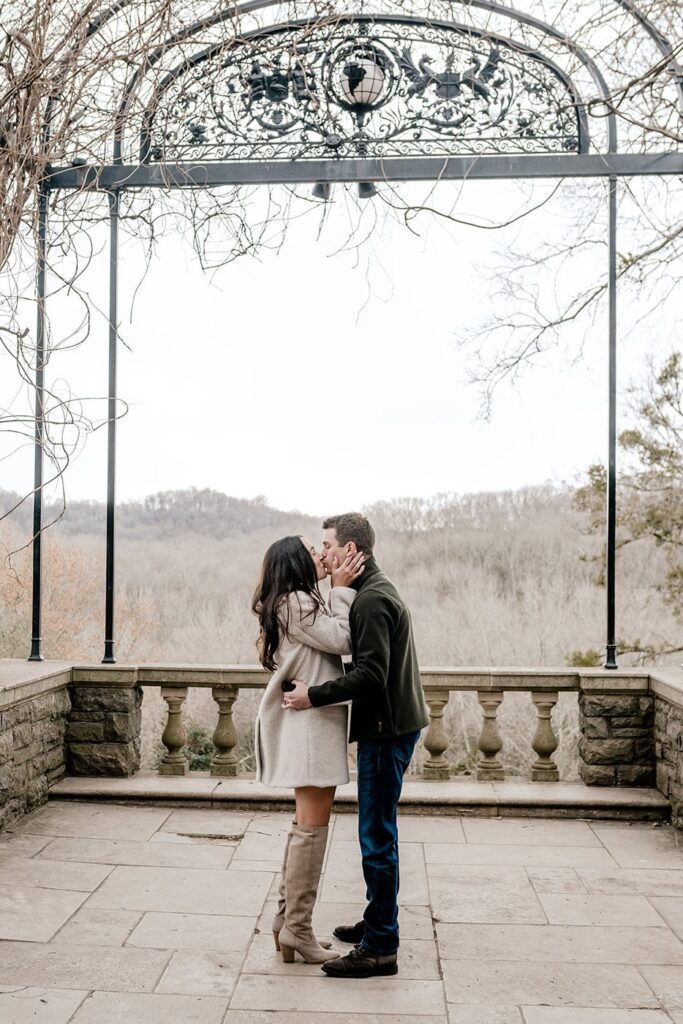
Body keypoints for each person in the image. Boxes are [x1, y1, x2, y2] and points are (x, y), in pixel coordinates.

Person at [283, 512, 429, 979]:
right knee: (376, 834)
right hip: (390, 726)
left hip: (386, 731)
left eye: (328, 544)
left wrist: (313, 695)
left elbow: (371, 675)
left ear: (349, 550)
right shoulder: (374, 590)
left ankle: (382, 945)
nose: (323, 553)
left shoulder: (369, 601)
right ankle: (374, 921)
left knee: (376, 839)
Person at [252, 534, 365, 965]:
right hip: (310, 728)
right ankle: (298, 930)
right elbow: (345, 639)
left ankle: (287, 923)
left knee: (304, 826)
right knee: (312, 828)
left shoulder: (290, 601)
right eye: (311, 550)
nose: (320, 554)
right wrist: (340, 590)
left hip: (309, 725)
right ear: (296, 562)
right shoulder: (297, 601)